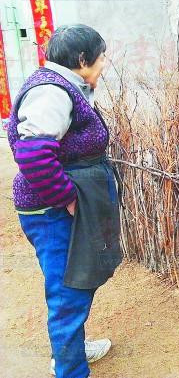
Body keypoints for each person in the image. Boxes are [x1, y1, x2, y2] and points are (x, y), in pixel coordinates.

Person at [6, 24, 122, 378]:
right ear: (83, 59)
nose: (104, 63)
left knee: (74, 279)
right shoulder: (52, 93)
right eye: (101, 57)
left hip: (59, 205)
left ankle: (70, 348)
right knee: (67, 286)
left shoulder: (64, 85)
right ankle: (70, 368)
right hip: (51, 210)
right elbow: (33, 154)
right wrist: (67, 198)